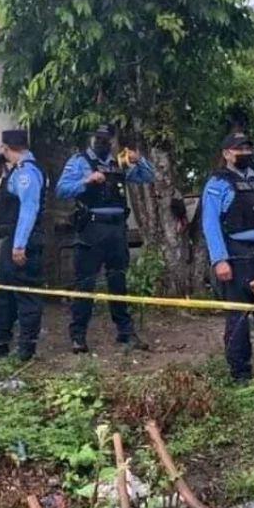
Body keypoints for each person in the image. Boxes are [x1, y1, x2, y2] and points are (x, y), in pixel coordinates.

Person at [56, 124, 156, 353]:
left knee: (118, 282)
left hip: (117, 230)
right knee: (85, 284)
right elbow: (61, 189)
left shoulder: (118, 163)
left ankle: (126, 332)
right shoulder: (79, 162)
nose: (103, 143)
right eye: (98, 139)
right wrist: (87, 180)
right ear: (91, 139)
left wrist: (138, 160)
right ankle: (78, 335)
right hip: (91, 229)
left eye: (107, 140)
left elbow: (148, 176)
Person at [201, 133, 254, 384]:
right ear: (227, 154)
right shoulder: (217, 183)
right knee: (238, 319)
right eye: (239, 149)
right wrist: (220, 260)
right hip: (236, 257)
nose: (245, 153)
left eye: (248, 148)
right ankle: (240, 375)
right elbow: (210, 224)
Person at [0, 130, 47, 361]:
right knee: (5, 294)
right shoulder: (15, 170)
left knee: (26, 294)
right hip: (10, 240)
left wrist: (19, 245)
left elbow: (29, 209)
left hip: (22, 241)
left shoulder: (27, 172)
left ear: (7, 148)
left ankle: (26, 347)